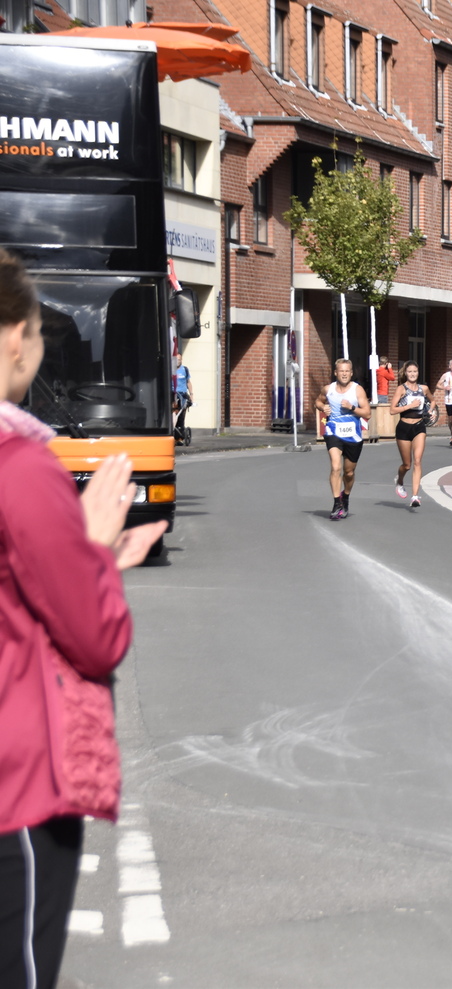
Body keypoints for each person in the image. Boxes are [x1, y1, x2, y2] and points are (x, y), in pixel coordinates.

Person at [0, 249, 166, 989]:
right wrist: (94, 553)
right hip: (15, 791)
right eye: (41, 330)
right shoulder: (22, 469)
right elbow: (96, 639)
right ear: (15, 337)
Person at [314, 358, 370, 520]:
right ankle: (336, 503)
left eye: (347, 371)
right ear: (335, 373)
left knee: (349, 473)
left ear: (351, 373)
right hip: (334, 431)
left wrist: (351, 407)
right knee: (335, 467)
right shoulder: (328, 389)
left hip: (353, 435)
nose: (344, 374)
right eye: (341, 371)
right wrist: (322, 407)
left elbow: (367, 414)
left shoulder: (357, 390)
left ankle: (345, 496)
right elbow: (318, 401)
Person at [392, 361, 433, 508]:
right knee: (407, 465)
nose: (412, 374)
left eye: (415, 371)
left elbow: (433, 401)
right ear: (405, 373)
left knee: (417, 461)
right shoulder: (401, 389)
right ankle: (399, 480)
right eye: (410, 371)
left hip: (419, 427)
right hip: (404, 428)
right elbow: (392, 410)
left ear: (418, 372)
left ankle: (415, 496)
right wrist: (410, 406)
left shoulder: (424, 389)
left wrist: (431, 411)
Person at [171, 359, 192, 439]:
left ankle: (180, 436)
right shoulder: (170, 369)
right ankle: (173, 429)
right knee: (173, 412)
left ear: (181, 360)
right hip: (172, 393)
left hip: (182, 394)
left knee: (181, 414)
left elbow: (188, 382)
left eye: (179, 359)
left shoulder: (185, 370)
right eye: (176, 359)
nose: (177, 361)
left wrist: (191, 394)